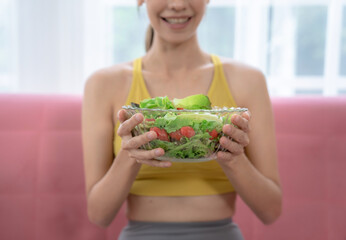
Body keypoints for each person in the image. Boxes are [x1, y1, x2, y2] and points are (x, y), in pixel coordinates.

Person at [82, 0, 282, 239]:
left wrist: (234, 159)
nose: (177, 4)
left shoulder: (248, 80)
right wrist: (130, 154)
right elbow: (99, 214)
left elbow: (271, 211)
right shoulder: (103, 84)